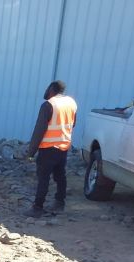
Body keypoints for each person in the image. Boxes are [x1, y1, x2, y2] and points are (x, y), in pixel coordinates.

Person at [24, 80, 77, 217]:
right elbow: (73, 123)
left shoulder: (48, 105)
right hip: (63, 146)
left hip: (48, 148)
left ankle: (37, 207)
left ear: (52, 89)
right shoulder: (71, 103)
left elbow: (39, 130)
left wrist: (31, 152)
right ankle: (60, 202)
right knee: (60, 175)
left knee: (43, 178)